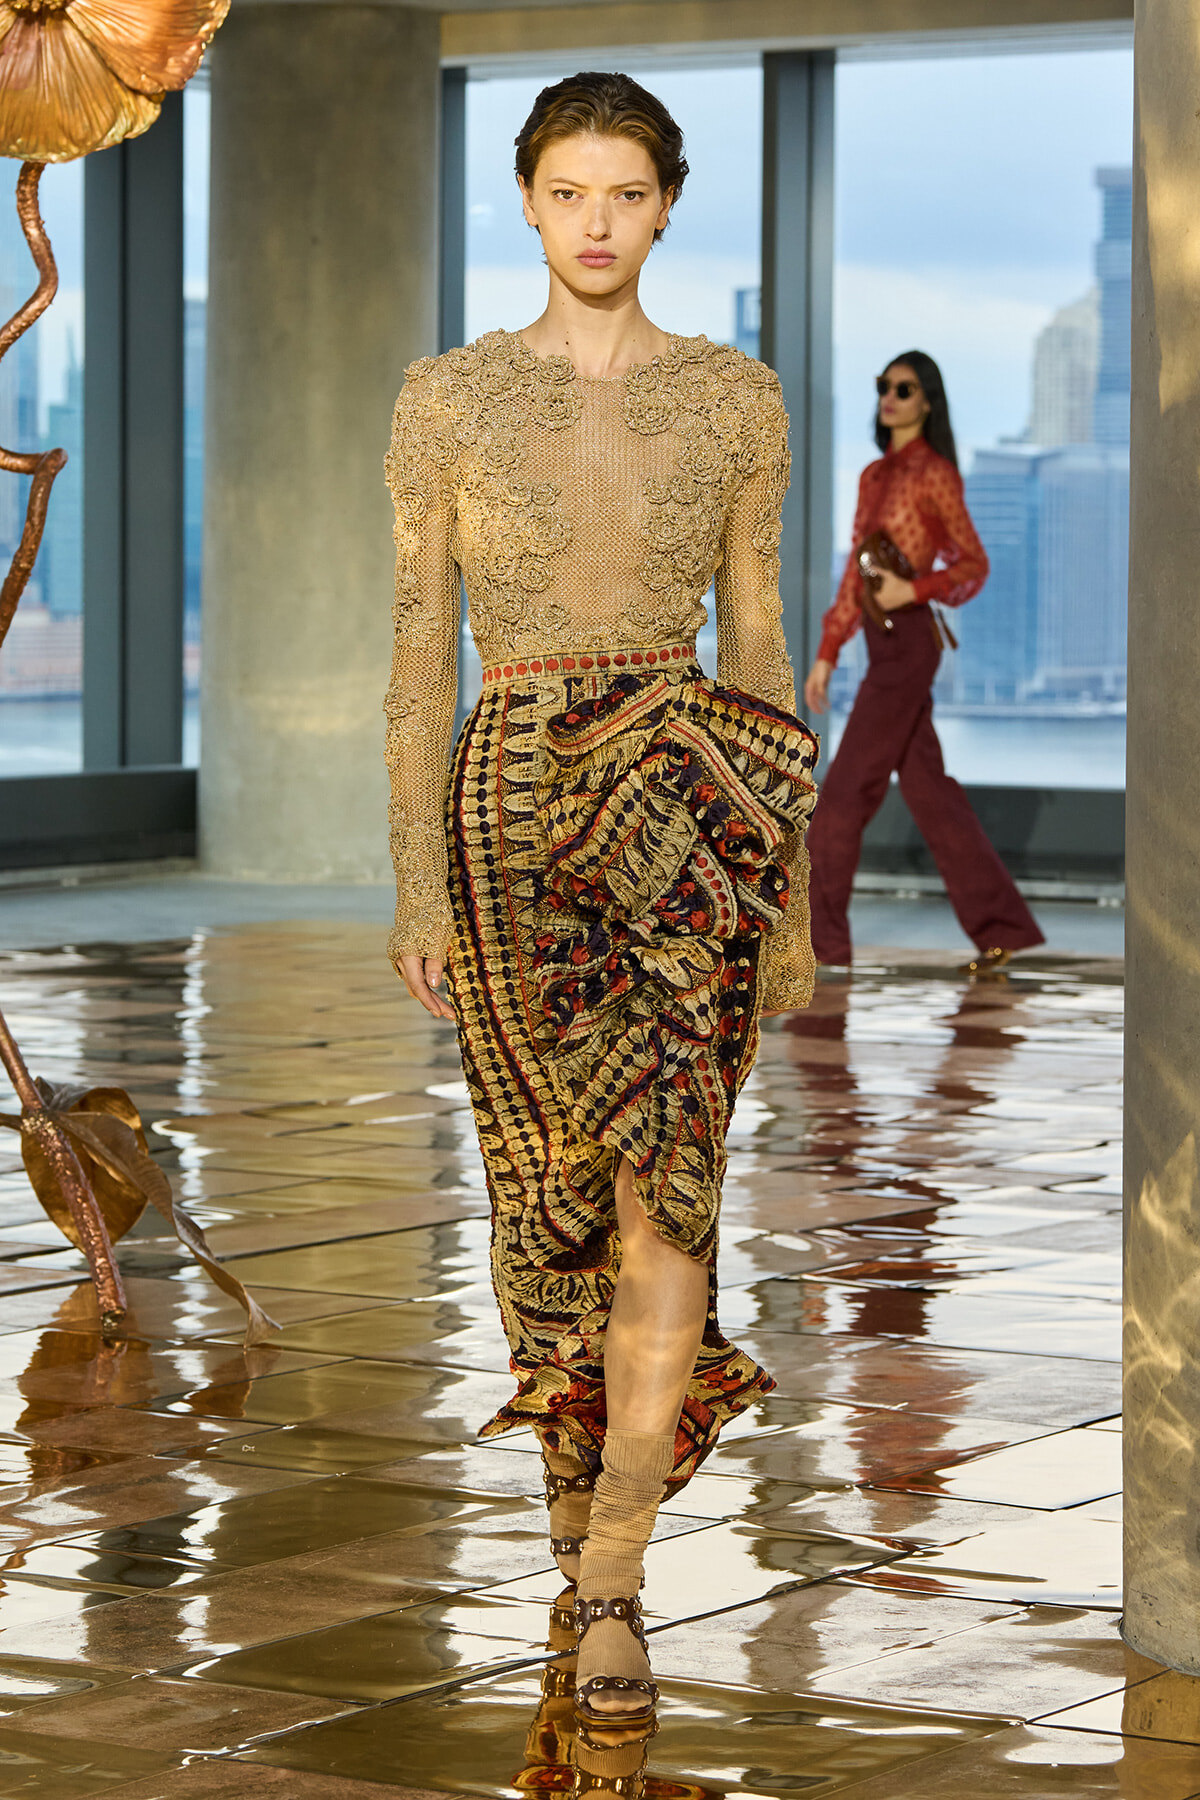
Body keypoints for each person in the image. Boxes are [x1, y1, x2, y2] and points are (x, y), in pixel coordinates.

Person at [384, 72, 818, 1729]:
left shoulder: (735, 398)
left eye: (625, 193)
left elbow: (766, 645)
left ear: (665, 207)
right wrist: (416, 877)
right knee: (545, 1200)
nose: (595, 222)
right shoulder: (448, 400)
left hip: (690, 797)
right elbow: (419, 659)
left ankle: (616, 1578)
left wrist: (782, 903)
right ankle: (575, 1522)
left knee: (669, 1193)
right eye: (568, 191)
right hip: (503, 803)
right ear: (525, 200)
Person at [803, 350, 1044, 974]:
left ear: (927, 400)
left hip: (910, 645)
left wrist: (915, 590)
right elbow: (855, 575)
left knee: (841, 800)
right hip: (880, 644)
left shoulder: (935, 474)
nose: (891, 397)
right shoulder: (872, 477)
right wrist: (827, 654)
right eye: (884, 386)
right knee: (932, 794)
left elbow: (972, 563)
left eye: (904, 389)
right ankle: (1003, 930)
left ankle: (820, 949)